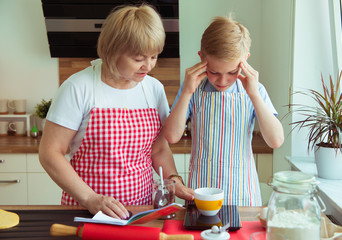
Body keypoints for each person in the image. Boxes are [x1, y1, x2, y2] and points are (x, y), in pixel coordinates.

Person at [39, 4, 193, 219]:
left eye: (154, 56)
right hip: (88, 211)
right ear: (112, 50)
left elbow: (158, 149)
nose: (147, 66)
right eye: (138, 59)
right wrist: (91, 199)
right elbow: (50, 154)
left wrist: (173, 178)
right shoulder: (79, 87)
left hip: (142, 210)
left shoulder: (153, 88)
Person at [164, 16, 284, 206]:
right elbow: (171, 136)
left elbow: (276, 140)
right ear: (202, 58)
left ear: (245, 60)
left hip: (243, 193)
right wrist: (187, 91)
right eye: (214, 72)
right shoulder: (192, 89)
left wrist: (253, 94)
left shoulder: (256, 90)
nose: (222, 81)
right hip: (201, 193)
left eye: (231, 72)